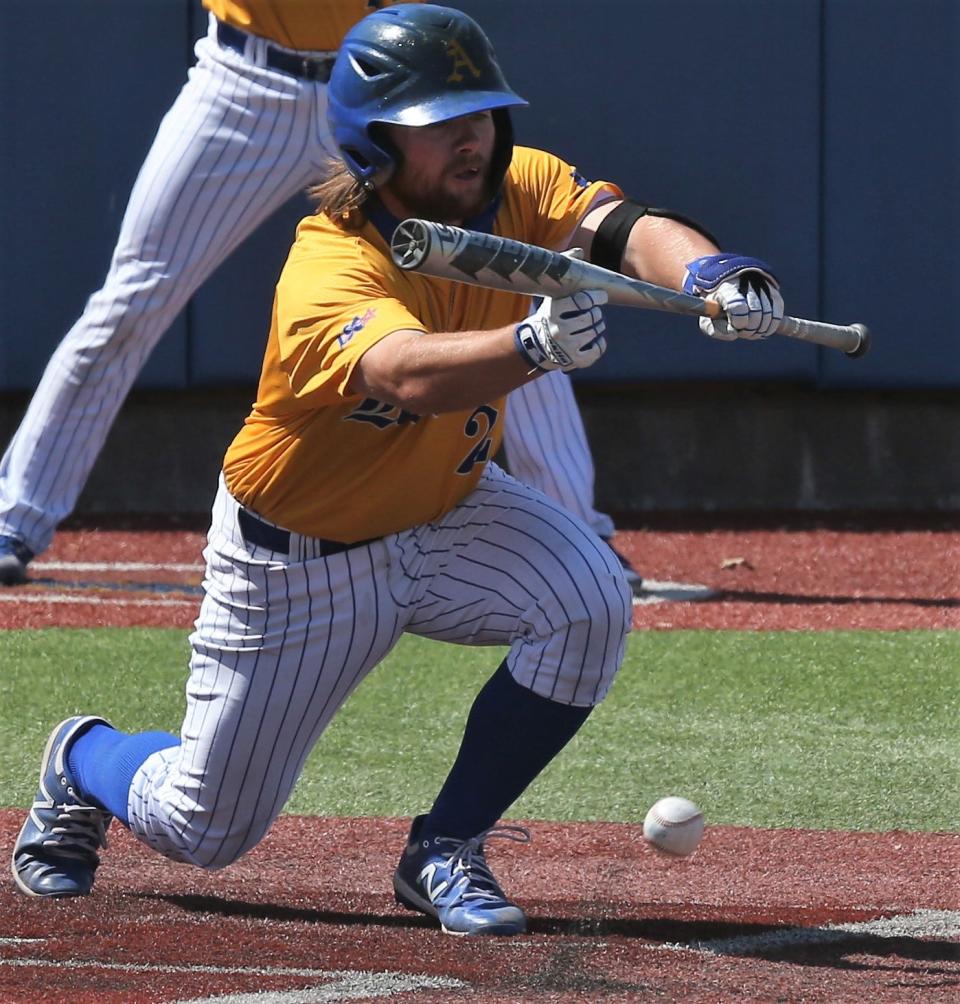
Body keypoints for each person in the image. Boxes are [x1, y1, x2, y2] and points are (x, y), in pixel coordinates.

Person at [11, 5, 783, 936]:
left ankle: (445, 847)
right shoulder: (329, 261)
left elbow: (624, 227)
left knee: (587, 600)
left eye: (483, 113)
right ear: (375, 144)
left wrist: (709, 277)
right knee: (202, 825)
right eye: (439, 122)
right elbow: (406, 374)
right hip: (300, 563)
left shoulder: (514, 183)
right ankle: (83, 758)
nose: (473, 139)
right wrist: (530, 343)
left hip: (450, 512)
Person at [0, 0, 640, 595]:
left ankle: (578, 531)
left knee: (506, 293)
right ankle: (15, 516)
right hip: (247, 83)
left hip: (391, 97)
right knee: (132, 299)